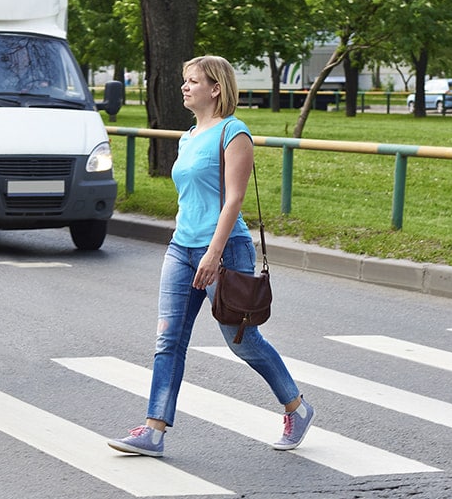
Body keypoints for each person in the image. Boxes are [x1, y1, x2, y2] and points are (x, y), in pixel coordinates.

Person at [107, 55, 314, 458]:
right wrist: (188, 244)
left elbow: (234, 199)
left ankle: (297, 407)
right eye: (184, 81)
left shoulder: (234, 134)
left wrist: (213, 253)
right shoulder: (188, 136)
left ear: (215, 88)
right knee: (168, 340)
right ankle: (154, 431)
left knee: (241, 340)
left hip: (224, 249)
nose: (184, 87)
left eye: (192, 81)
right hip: (181, 248)